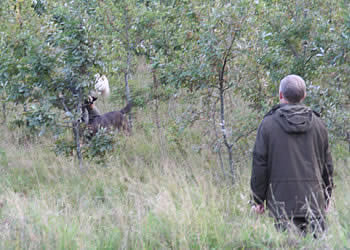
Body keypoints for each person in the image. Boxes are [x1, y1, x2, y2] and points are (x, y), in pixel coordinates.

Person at [250, 75, 334, 236]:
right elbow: (327, 166)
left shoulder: (268, 124)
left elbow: (260, 164)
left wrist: (258, 200)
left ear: (281, 95)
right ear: (304, 96)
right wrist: (326, 198)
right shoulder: (319, 124)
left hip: (282, 205)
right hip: (315, 203)